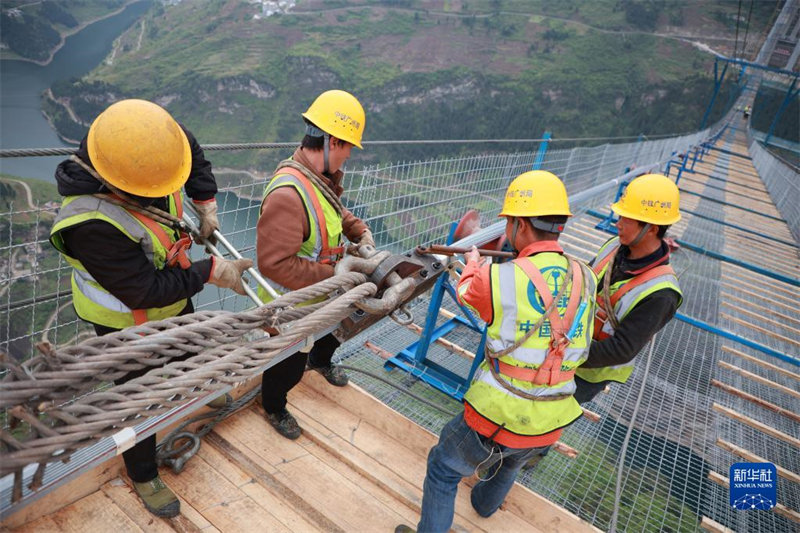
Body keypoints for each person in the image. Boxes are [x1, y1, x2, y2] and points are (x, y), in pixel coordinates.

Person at [49, 99, 252, 518]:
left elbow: (188, 151)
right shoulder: (89, 223)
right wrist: (211, 270)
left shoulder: (140, 142)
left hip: (172, 295)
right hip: (123, 323)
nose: (162, 191)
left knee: (193, 346)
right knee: (134, 401)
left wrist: (205, 199)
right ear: (119, 181)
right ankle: (142, 473)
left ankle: (201, 388)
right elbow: (142, 290)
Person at [397, 171, 597, 533]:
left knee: (443, 470)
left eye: (508, 223)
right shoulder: (586, 276)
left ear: (520, 224)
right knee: (511, 462)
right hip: (552, 416)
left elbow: (469, 291)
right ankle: (485, 506)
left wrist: (474, 261)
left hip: (498, 415)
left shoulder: (502, 277)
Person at [256, 89, 374, 440]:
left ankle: (320, 360)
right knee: (287, 365)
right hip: (295, 307)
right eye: (349, 147)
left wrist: (359, 229)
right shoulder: (287, 195)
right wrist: (339, 275)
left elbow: (332, 211)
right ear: (333, 142)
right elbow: (275, 265)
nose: (349, 156)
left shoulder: (315, 179)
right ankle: (273, 405)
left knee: (336, 330)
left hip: (322, 295)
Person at [574, 173, 683, 404]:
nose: (618, 223)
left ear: (651, 228)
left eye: (626, 218)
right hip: (565, 347)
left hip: (585, 375)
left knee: (542, 424)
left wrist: (567, 354)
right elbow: (586, 282)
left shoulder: (662, 293)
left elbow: (622, 349)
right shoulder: (615, 245)